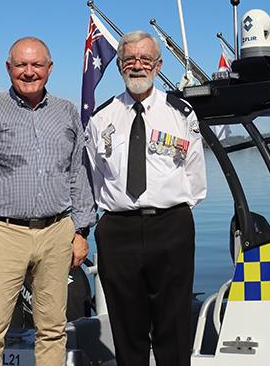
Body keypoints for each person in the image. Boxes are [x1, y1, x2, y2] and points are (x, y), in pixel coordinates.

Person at [0, 37, 96, 366]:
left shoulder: (67, 112)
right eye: (21, 65)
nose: (29, 72)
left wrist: (82, 231)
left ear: (50, 68)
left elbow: (78, 173)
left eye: (37, 65)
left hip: (57, 231)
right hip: (1, 233)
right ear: (8, 68)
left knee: (54, 330)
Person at [85, 30, 207, 366]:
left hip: (171, 227)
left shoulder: (181, 113)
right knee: (127, 328)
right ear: (120, 65)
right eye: (130, 59)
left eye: (145, 59)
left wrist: (171, 208)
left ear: (158, 64)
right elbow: (94, 177)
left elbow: (195, 175)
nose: (137, 65)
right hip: (118, 231)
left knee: (174, 325)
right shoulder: (101, 118)